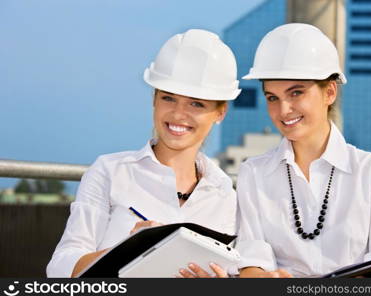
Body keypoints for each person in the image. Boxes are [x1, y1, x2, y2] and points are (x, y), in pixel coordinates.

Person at [46, 29, 241, 278]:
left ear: (220, 113)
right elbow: (60, 268)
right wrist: (126, 250)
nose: (178, 114)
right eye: (168, 98)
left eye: (196, 103)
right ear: (154, 100)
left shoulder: (224, 195)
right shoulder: (111, 171)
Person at [233, 23, 371, 278]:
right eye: (272, 98)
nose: (283, 110)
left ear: (330, 92)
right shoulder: (254, 172)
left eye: (296, 93)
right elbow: (250, 264)